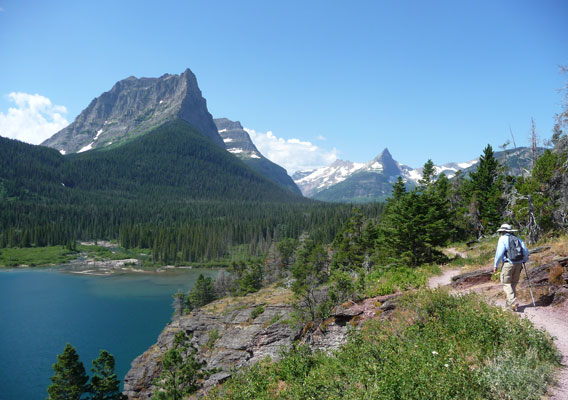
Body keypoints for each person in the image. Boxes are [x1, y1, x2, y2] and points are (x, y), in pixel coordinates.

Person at [493, 223, 529, 311]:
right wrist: (524, 260)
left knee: (506, 283)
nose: (501, 233)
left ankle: (513, 301)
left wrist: (495, 265)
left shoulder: (503, 239)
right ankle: (509, 307)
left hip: (508, 263)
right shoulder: (518, 239)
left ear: (504, 231)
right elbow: (525, 251)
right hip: (519, 264)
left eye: (502, 231)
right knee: (513, 284)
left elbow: (499, 253)